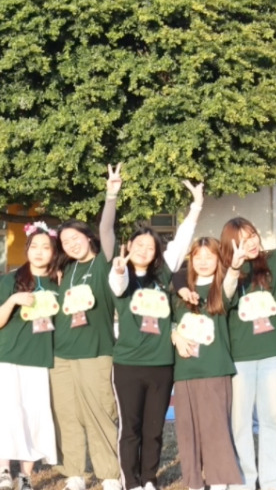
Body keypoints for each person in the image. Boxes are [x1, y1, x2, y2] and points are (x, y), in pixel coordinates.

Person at [109, 180, 203, 490]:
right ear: (129, 246)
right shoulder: (120, 273)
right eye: (139, 245)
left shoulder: (163, 274)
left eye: (150, 247)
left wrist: (196, 206)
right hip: (128, 365)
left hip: (162, 364)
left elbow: (182, 240)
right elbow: (117, 285)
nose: (144, 251)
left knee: (154, 429)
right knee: (131, 428)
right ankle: (131, 481)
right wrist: (119, 269)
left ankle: (149, 478)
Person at [51, 164, 123, 490]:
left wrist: (111, 195)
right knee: (67, 414)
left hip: (96, 351)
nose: (71, 244)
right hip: (61, 354)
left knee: (99, 412)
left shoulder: (104, 262)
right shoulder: (65, 271)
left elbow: (107, 228)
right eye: (65, 241)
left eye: (75, 237)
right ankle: (75, 473)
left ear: (87, 237)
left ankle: (108, 474)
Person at [219, 217, 276, 490]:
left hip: (274, 352)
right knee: (239, 422)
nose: (250, 243)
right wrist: (233, 269)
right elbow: (222, 301)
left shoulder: (273, 260)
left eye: (252, 236)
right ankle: (243, 482)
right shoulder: (224, 269)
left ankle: (275, 481)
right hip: (239, 357)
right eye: (242, 240)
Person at [0, 223, 63, 490]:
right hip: (6, 358)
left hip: (39, 359)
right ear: (27, 249)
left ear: (54, 252)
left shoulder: (59, 282)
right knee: (7, 413)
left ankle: (25, 476)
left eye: (46, 247)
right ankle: (4, 472)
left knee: (35, 415)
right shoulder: (10, 280)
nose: (39, 252)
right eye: (35, 246)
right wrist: (13, 301)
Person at [170, 236, 245, 490]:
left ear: (218, 260)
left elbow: (231, 285)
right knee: (187, 431)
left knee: (216, 429)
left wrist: (234, 267)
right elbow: (169, 321)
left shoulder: (220, 288)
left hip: (215, 369)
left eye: (209, 257)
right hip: (185, 371)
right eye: (198, 257)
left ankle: (220, 480)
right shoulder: (179, 291)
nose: (203, 262)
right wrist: (174, 335)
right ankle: (194, 482)